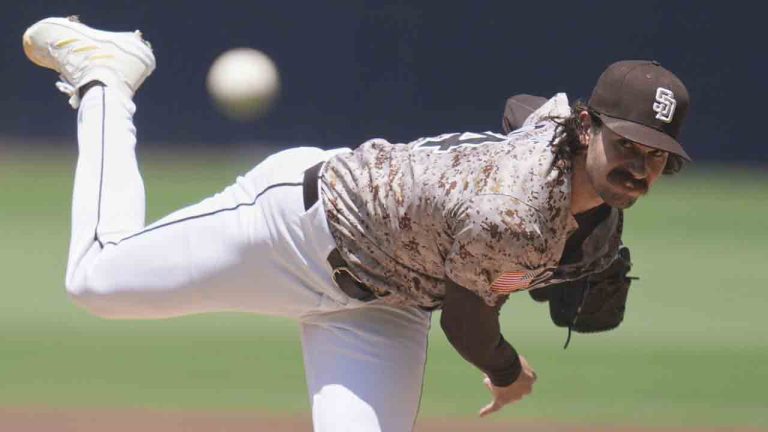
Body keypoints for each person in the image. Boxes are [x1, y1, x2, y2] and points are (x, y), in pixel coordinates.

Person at [23, 16, 690, 432]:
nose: (639, 165)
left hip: (387, 307)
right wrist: (507, 368)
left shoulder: (557, 131)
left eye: (656, 156)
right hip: (300, 231)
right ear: (586, 126)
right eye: (626, 144)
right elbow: (467, 322)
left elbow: (520, 110)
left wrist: (587, 226)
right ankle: (107, 78)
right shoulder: (516, 213)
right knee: (95, 281)